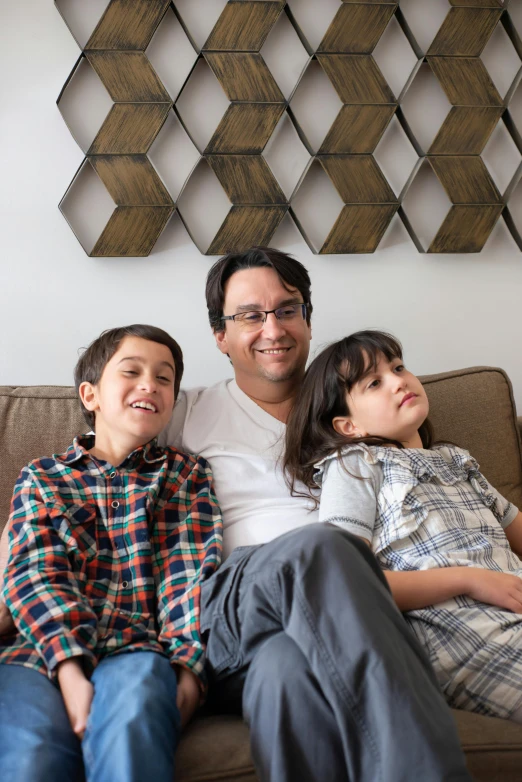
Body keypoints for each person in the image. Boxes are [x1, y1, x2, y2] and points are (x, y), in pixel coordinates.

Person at [0, 250, 471, 782]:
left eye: (287, 310)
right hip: (234, 605)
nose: (272, 328)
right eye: (250, 315)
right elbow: (91, 468)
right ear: (220, 336)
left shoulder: (357, 411)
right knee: (324, 547)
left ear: (308, 320)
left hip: (319, 622)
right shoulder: (185, 410)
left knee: (284, 674)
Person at [0, 324, 222, 782]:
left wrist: (188, 671)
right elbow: (35, 572)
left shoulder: (185, 476)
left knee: (136, 714)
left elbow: (190, 576)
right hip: (37, 653)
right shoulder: (43, 478)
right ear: (90, 394)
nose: (150, 384)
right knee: (32, 755)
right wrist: (69, 669)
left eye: (164, 378)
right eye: (132, 371)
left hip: (136, 649)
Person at [283, 328, 522, 724]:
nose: (399, 381)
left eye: (398, 367)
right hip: (460, 632)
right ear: (347, 426)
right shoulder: (355, 465)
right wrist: (471, 579)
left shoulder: (457, 460)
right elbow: (348, 580)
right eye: (375, 382)